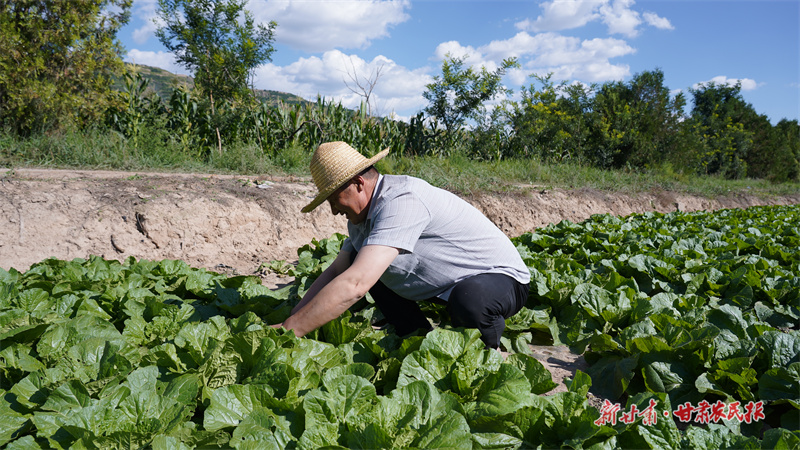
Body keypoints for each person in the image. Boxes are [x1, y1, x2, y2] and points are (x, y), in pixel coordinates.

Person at [275, 141, 530, 349]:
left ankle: (490, 350)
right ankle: (416, 337)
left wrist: (290, 331)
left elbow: (355, 284)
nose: (333, 211)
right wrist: (293, 317)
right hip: (445, 285)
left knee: (469, 300)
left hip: (500, 280)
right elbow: (336, 272)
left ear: (358, 184)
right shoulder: (359, 221)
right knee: (359, 261)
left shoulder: (402, 200)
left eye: (334, 199)